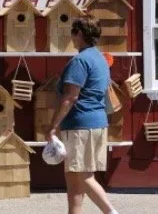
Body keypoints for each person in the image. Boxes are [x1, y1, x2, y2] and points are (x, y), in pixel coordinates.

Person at [47, 15, 119, 214]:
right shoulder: (101, 59)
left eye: (73, 32)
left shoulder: (80, 61)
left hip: (80, 125)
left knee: (83, 177)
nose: (71, 37)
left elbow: (70, 98)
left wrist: (52, 127)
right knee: (74, 185)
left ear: (79, 34)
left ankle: (111, 212)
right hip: (97, 123)